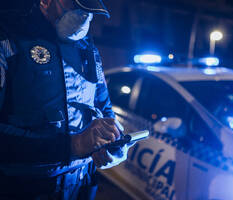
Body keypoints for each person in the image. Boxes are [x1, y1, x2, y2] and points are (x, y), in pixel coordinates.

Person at [0, 0, 133, 199]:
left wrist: (113, 141)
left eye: (89, 12)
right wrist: (72, 146)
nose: (84, 17)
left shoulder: (87, 47)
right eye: (76, 8)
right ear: (45, 2)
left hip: (80, 186)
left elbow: (103, 107)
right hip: (26, 189)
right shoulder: (9, 40)